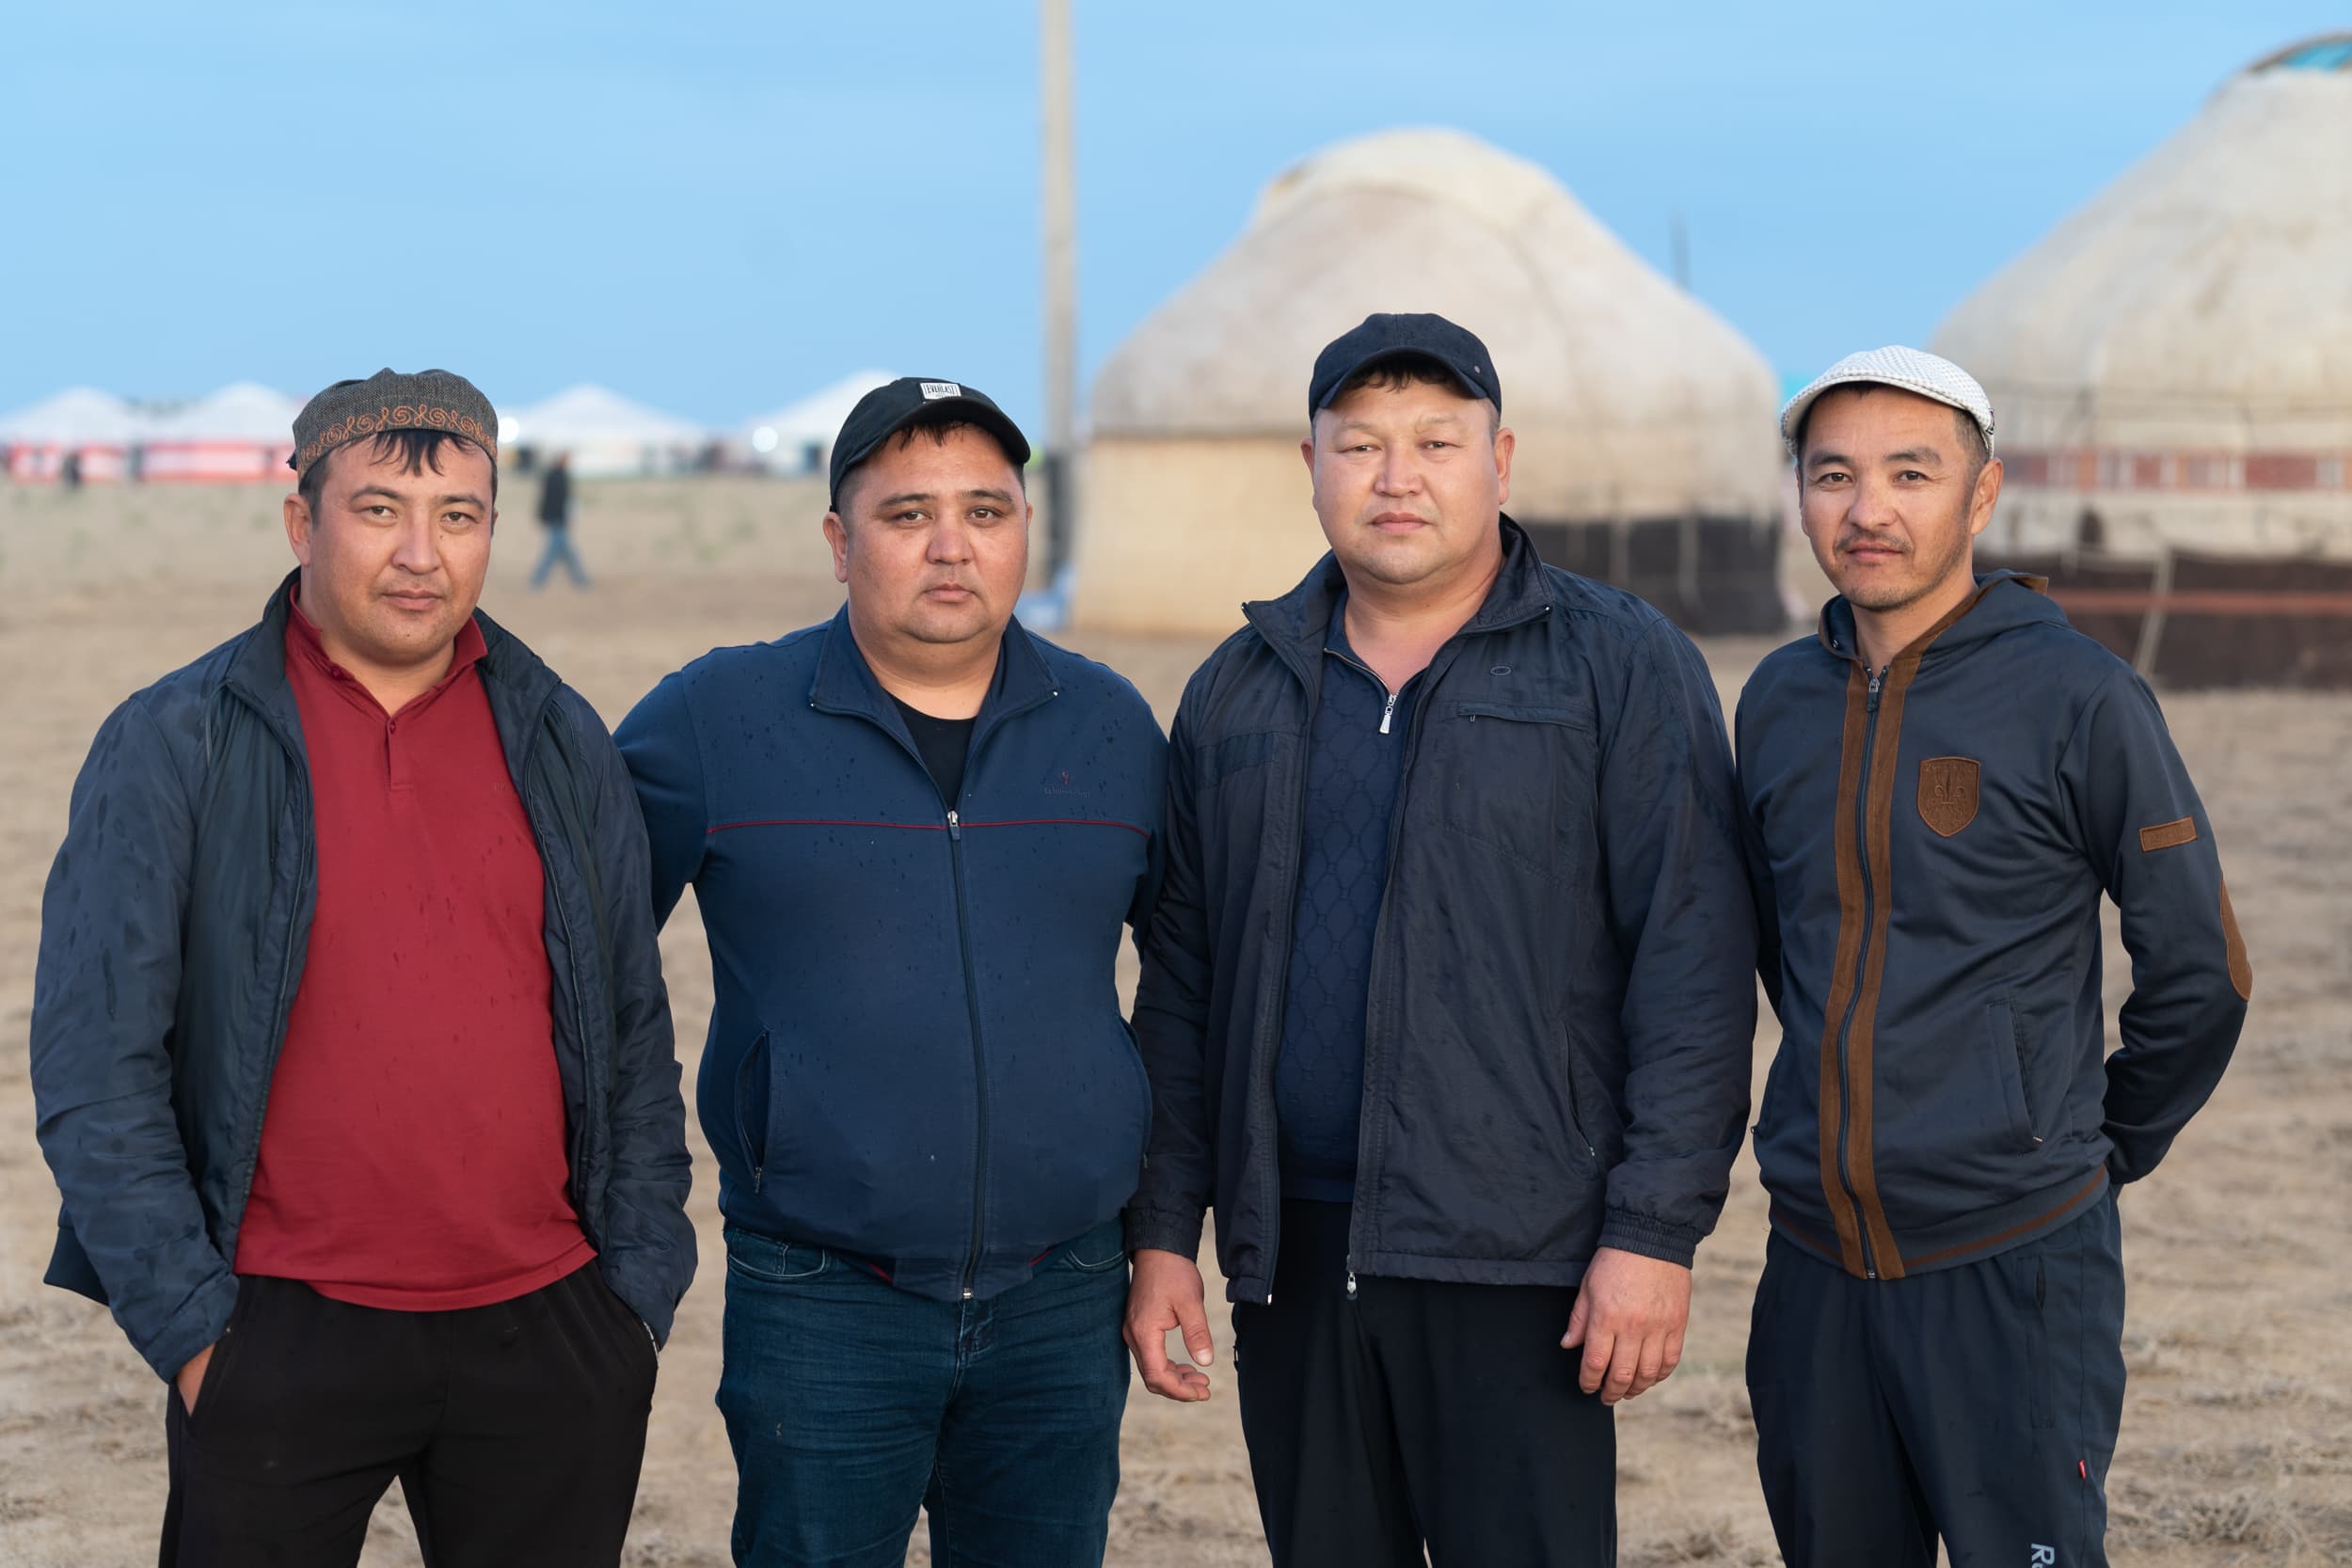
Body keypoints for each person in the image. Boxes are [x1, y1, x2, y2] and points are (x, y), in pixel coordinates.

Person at [29, 368, 697, 1568]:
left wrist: (633, 1291)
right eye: (380, 508)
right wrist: (196, 1333)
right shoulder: (177, 738)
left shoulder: (559, 734)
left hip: (550, 1325)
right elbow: (95, 1064)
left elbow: (632, 1029)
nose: (421, 555)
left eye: (458, 515)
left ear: (495, 525)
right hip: (276, 1327)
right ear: (302, 521)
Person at [1122, 312, 1757, 1565]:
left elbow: (1691, 969)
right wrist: (1160, 1230)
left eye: (1434, 441)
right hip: (1290, 1252)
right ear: (1307, 464)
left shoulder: (1618, 665)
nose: (1396, 476)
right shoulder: (1238, 688)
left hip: (1525, 1256)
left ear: (1501, 458)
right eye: (1359, 444)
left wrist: (1651, 1232)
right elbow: (1185, 985)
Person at [616, 376, 1166, 1568]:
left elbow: (1190, 987)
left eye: (987, 509)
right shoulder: (717, 720)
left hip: (1065, 1292)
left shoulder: (1113, 729)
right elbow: (575, 952)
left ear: (1028, 526)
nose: (953, 546)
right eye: (908, 513)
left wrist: (1164, 1235)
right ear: (837, 539)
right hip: (822, 1291)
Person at [1737, 346, 2253, 1566]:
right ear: (1800, 492)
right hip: (1814, 1264)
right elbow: (1780, 944)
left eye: (1910, 472)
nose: (1869, 509)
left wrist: (2089, 1139)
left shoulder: (2080, 695)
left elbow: (2199, 968)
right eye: (1834, 475)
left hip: (2013, 1262)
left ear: (1981, 493)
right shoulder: (1774, 702)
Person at [530, 450, 588, 589]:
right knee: (556, 553)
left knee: (564, 552)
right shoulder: (556, 476)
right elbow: (552, 500)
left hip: (557, 519)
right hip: (556, 519)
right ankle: (581, 581)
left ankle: (581, 580)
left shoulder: (557, 475)